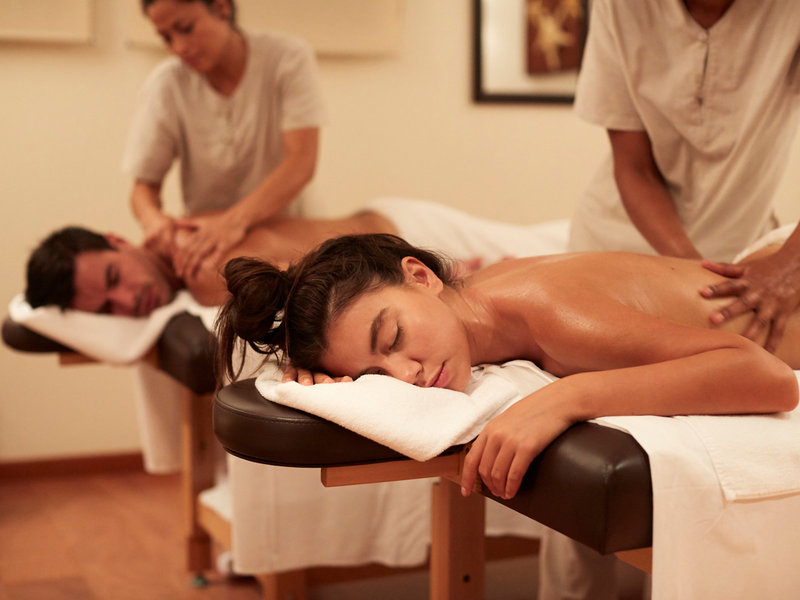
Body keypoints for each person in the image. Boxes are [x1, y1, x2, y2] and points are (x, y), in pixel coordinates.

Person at [215, 232, 799, 452]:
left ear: (420, 275)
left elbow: (768, 379)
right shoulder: (475, 304)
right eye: (374, 375)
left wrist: (563, 400)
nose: (406, 375)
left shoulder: (549, 312)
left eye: (392, 337)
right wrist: (316, 376)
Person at [568, 0, 800, 357]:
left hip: (746, 258)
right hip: (617, 248)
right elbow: (635, 168)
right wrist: (690, 274)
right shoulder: (620, 6)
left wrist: (790, 263)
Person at [23, 198, 567, 316]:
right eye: (108, 307)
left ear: (118, 241)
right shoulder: (186, 247)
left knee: (562, 255)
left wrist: (444, 274)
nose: (128, 300)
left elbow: (318, 279)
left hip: (407, 237)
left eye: (113, 277)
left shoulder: (204, 267)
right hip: (394, 229)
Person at [123, 0, 325, 280]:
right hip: (212, 247)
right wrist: (153, 221)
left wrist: (233, 223)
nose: (178, 47)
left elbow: (301, 161)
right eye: (166, 37)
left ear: (221, 7)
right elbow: (143, 187)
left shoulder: (287, 58)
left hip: (291, 235)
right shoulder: (167, 84)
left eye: (186, 28)